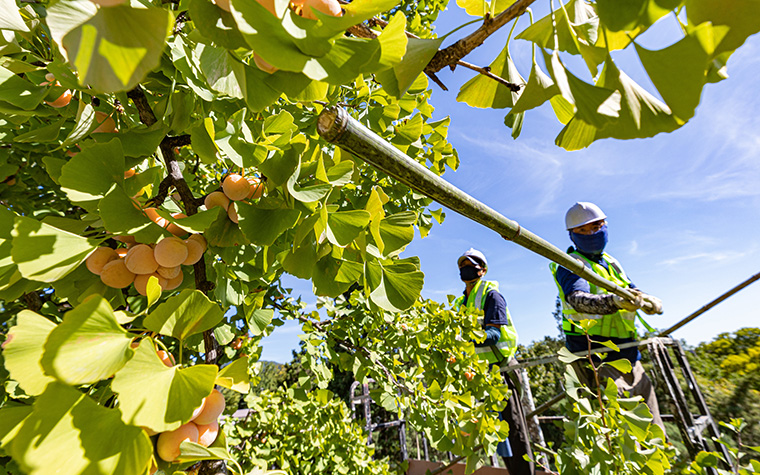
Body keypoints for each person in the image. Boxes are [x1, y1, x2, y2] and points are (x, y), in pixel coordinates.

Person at [550, 202, 665, 430]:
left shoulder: (612, 263)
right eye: (582, 230)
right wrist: (613, 302)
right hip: (598, 360)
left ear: (605, 226)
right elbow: (577, 299)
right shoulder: (572, 265)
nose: (590, 233)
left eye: (595, 226)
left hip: (631, 358)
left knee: (654, 432)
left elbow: (632, 290)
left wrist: (647, 301)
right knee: (622, 436)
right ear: (572, 236)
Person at [454, 249, 535, 475]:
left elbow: (494, 335)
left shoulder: (492, 295)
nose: (466, 268)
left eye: (472, 264)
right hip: (479, 374)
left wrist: (464, 339)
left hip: (502, 372)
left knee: (513, 430)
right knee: (490, 432)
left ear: (483, 270)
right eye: (463, 265)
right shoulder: (462, 301)